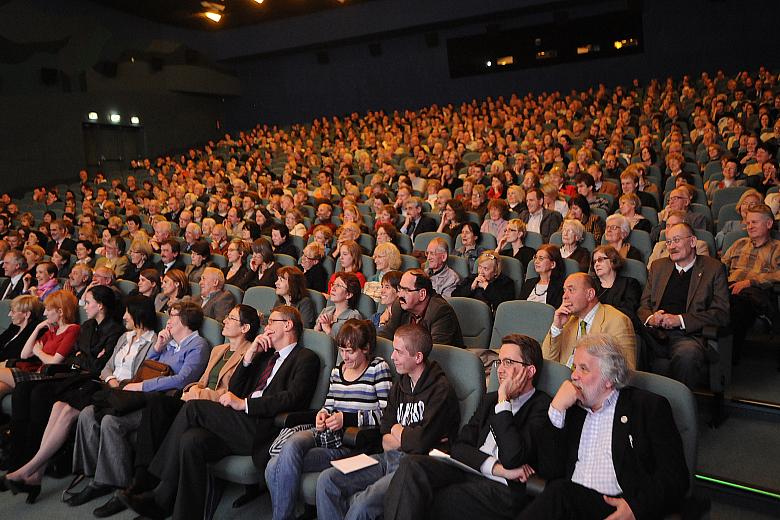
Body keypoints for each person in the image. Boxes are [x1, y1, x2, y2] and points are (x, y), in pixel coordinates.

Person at [118, 306, 319, 520]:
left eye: (271, 322)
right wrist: (249, 356)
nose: (266, 327)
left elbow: (293, 398)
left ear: (287, 325)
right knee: (191, 440)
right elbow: (236, 389)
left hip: (263, 429)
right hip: (240, 423)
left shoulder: (305, 357)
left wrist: (246, 404)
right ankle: (177, 511)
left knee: (194, 408)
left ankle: (155, 487)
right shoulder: (265, 355)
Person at [90, 304, 261, 518]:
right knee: (157, 405)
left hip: (215, 409)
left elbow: (234, 392)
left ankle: (150, 482)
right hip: (194, 400)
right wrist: (193, 389)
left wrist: (200, 394)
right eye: (226, 316)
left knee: (176, 417)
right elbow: (200, 381)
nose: (224, 321)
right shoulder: (219, 350)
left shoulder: (251, 354)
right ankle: (144, 478)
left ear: (245, 328)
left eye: (231, 318)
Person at [517, 334, 689, 520]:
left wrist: (635, 508)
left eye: (583, 369)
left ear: (609, 379)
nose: (574, 375)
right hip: (572, 508)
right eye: (574, 367)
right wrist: (556, 411)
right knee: (558, 492)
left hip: (616, 509)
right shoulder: (572, 410)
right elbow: (549, 472)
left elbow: (676, 479)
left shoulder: (647, 407)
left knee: (560, 493)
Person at [384, 334, 553, 520]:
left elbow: (512, 457)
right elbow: (459, 446)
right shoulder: (490, 400)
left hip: (504, 489)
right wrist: (497, 468)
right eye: (499, 362)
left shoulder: (542, 407)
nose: (500, 370)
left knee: (437, 499)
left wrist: (503, 401)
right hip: (473, 471)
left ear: (529, 371)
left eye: (508, 362)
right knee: (411, 465)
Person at [70, 301, 210, 510]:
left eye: (172, 316)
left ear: (185, 320)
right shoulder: (169, 343)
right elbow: (146, 367)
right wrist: (158, 347)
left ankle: (115, 484)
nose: (168, 320)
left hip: (161, 403)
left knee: (111, 421)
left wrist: (142, 386)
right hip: (143, 397)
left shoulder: (198, 345)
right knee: (89, 412)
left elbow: (182, 379)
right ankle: (93, 475)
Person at [315, 323, 460, 520]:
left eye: (399, 352)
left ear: (418, 357)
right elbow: (385, 437)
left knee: (362, 504)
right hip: (388, 458)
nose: (392, 357)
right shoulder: (400, 385)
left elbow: (420, 444)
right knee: (327, 480)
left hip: (414, 468)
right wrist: (405, 436)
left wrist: (398, 431)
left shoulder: (440, 390)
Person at [0, 287, 127, 497]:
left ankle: (30, 469)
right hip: (72, 375)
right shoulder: (88, 326)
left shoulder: (114, 330)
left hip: (89, 381)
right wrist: (87, 356)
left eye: (88, 302)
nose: (84, 307)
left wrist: (83, 357)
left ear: (100, 305)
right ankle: (23, 464)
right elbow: (75, 357)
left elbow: (96, 366)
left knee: (41, 394)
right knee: (24, 389)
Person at [266, 319, 392, 520]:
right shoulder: (337, 371)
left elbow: (386, 415)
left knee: (278, 463)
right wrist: (322, 415)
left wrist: (346, 419)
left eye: (350, 351)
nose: (345, 357)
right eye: (341, 350)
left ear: (366, 349)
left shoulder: (378, 368)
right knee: (279, 458)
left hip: (353, 445)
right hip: (328, 437)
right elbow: (329, 404)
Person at [638, 222, 730, 387]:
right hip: (654, 333)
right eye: (668, 242)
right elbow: (643, 306)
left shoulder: (713, 269)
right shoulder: (658, 267)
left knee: (687, 354)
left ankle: (679, 402)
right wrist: (652, 318)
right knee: (631, 342)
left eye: (676, 240)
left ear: (693, 241)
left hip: (688, 335)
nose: (671, 246)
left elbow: (720, 313)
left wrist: (680, 320)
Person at [720, 204, 780, 362]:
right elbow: (720, 266)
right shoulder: (739, 243)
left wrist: (751, 282)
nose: (750, 226)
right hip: (729, 288)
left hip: (756, 293)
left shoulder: (777, 248)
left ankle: (728, 358)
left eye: (754, 222)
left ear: (769, 224)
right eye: (748, 223)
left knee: (736, 305)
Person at [542, 272, 637, 368]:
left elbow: (625, 370)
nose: (564, 296)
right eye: (564, 290)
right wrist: (556, 327)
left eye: (571, 290)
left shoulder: (617, 321)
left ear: (590, 294)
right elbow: (547, 363)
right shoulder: (567, 321)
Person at [0, 290, 79, 397]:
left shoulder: (72, 329)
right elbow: (24, 354)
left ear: (60, 312)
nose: (44, 313)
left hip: (48, 377)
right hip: (37, 373)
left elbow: (54, 362)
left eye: (48, 310)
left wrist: (38, 351)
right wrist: (38, 328)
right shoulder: (52, 330)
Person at [380, 269, 464, 347]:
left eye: (406, 290)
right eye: (400, 288)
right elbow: (386, 334)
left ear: (422, 294)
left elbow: (434, 351)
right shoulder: (399, 305)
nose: (400, 295)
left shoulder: (441, 312)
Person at [592, 246, 642, 330]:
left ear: (612, 261)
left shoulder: (629, 283)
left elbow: (629, 311)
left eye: (600, 260)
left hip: (620, 328)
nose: (596, 264)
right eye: (594, 262)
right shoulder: (590, 285)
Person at [315, 272, 363, 338]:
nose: (333, 288)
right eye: (333, 284)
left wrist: (328, 329)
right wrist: (317, 328)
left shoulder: (353, 316)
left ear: (348, 295)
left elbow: (350, 343)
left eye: (338, 285)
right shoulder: (326, 310)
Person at [519, 244, 565, 309]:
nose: (536, 262)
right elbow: (519, 306)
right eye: (535, 258)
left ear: (553, 264)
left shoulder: (560, 286)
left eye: (541, 258)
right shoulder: (529, 283)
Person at [0, 295, 43, 362]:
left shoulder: (36, 331)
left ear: (27, 314)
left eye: (13, 312)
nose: (9, 314)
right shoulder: (14, 326)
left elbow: (16, 356)